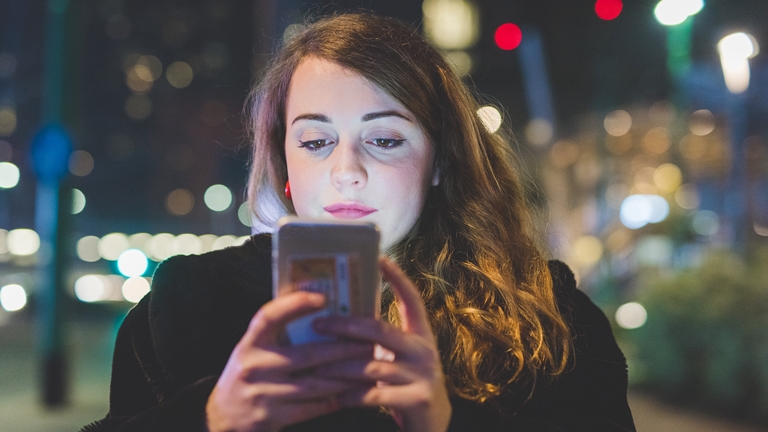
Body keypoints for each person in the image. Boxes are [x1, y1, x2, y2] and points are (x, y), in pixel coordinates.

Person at [82, 12, 635, 432]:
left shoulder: (549, 315)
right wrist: (209, 417)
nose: (347, 171)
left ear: (441, 160)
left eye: (385, 140)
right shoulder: (185, 301)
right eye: (316, 141)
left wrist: (443, 423)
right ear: (284, 162)